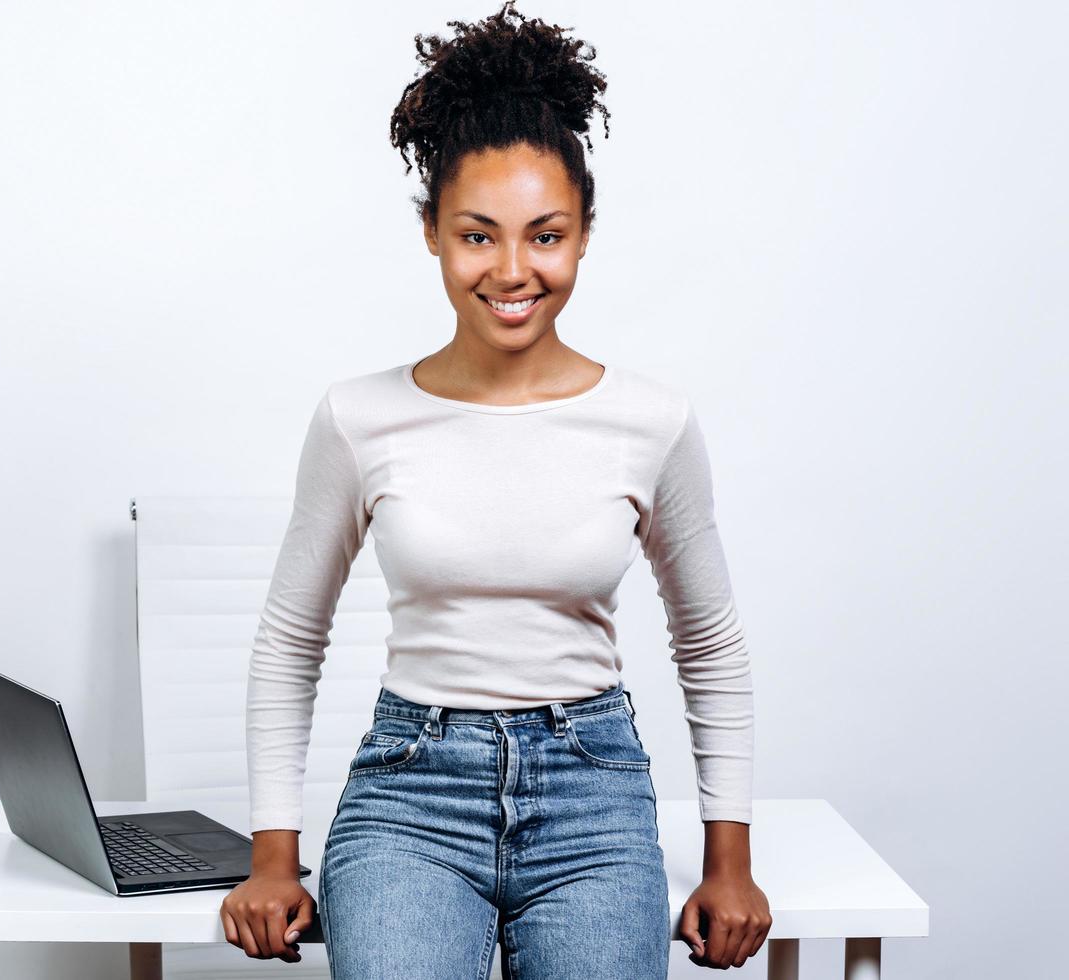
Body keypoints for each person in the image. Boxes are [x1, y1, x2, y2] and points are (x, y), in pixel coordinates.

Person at [219, 3, 771, 975]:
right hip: (409, 795)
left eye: (543, 235)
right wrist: (274, 858)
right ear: (430, 231)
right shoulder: (358, 417)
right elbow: (287, 637)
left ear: (583, 234)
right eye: (478, 235)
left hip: (591, 793)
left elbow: (709, 638)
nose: (512, 271)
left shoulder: (651, 421)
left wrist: (729, 864)